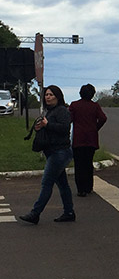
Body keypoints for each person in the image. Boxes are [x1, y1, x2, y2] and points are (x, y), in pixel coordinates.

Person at [18, 85, 75, 224]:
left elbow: (65, 128)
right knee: (62, 184)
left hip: (60, 152)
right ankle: (69, 212)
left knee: (46, 183)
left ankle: (35, 213)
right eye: (46, 95)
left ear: (58, 96)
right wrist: (40, 128)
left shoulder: (62, 111)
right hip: (52, 152)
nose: (47, 97)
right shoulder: (50, 111)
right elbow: (49, 130)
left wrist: (47, 125)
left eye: (51, 95)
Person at [69, 84, 108, 196]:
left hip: (78, 139)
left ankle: (81, 189)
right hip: (91, 139)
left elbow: (69, 119)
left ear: (80, 93)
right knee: (88, 163)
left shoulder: (74, 105)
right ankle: (88, 187)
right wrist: (95, 128)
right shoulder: (95, 106)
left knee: (79, 164)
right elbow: (103, 118)